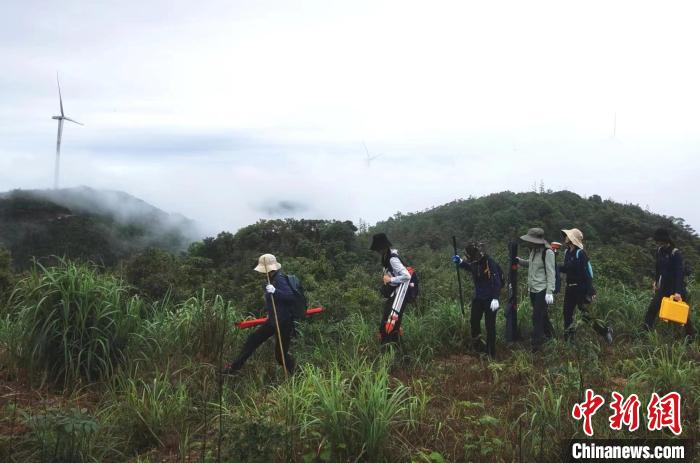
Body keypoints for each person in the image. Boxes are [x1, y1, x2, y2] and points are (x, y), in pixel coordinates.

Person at [223, 254, 296, 374]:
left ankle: (295, 372)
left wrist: (275, 291)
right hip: (273, 320)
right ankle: (234, 367)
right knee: (253, 339)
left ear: (269, 269)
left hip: (283, 322)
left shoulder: (280, 279)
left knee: (280, 356)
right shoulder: (271, 280)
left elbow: (290, 297)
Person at [559, 228, 613, 343]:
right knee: (567, 314)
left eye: (567, 236)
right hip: (570, 288)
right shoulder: (567, 252)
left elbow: (588, 274)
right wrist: (554, 266)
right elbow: (566, 269)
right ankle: (569, 340)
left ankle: (605, 331)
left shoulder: (580, 254)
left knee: (586, 316)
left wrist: (590, 291)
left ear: (572, 239)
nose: (565, 237)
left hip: (580, 288)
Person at [452, 243, 503, 357]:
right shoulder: (475, 262)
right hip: (479, 297)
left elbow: (497, 280)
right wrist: (460, 262)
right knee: (474, 321)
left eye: (467, 256)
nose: (467, 258)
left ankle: (491, 353)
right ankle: (478, 346)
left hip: (490, 299)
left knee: (490, 326)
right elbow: (471, 268)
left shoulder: (489, 262)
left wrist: (495, 297)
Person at [643, 228, 696, 339]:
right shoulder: (659, 251)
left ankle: (691, 336)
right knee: (652, 308)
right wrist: (656, 282)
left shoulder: (675, 253)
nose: (659, 243)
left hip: (677, 288)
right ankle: (643, 333)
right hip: (664, 288)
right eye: (657, 241)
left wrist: (678, 292)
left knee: (683, 315)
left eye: (660, 241)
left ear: (666, 240)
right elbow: (658, 268)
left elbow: (679, 273)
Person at [515, 228, 556, 351]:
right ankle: (551, 336)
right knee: (542, 316)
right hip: (533, 289)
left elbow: (551, 272)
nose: (529, 242)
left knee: (536, 316)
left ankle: (536, 344)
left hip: (542, 289)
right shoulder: (533, 251)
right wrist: (519, 261)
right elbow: (531, 264)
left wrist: (550, 291)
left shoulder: (547, 252)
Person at [370, 233, 412, 344]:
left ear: (383, 247)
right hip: (396, 293)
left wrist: (390, 280)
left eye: (378, 248)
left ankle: (391, 348)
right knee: (389, 320)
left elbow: (407, 276)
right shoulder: (386, 257)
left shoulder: (392, 259)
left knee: (391, 321)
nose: (377, 251)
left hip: (401, 294)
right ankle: (393, 346)